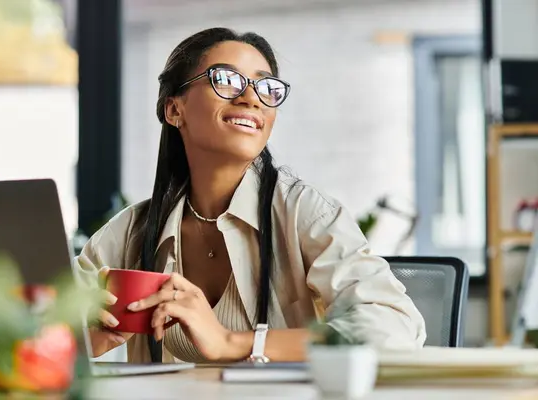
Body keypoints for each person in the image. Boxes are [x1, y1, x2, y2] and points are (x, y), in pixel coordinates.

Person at [74, 27, 426, 364]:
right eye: (226, 80)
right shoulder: (135, 230)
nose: (251, 98)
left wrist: (232, 342)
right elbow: (36, 322)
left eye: (266, 87)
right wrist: (81, 338)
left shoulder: (304, 213)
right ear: (174, 109)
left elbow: (393, 329)